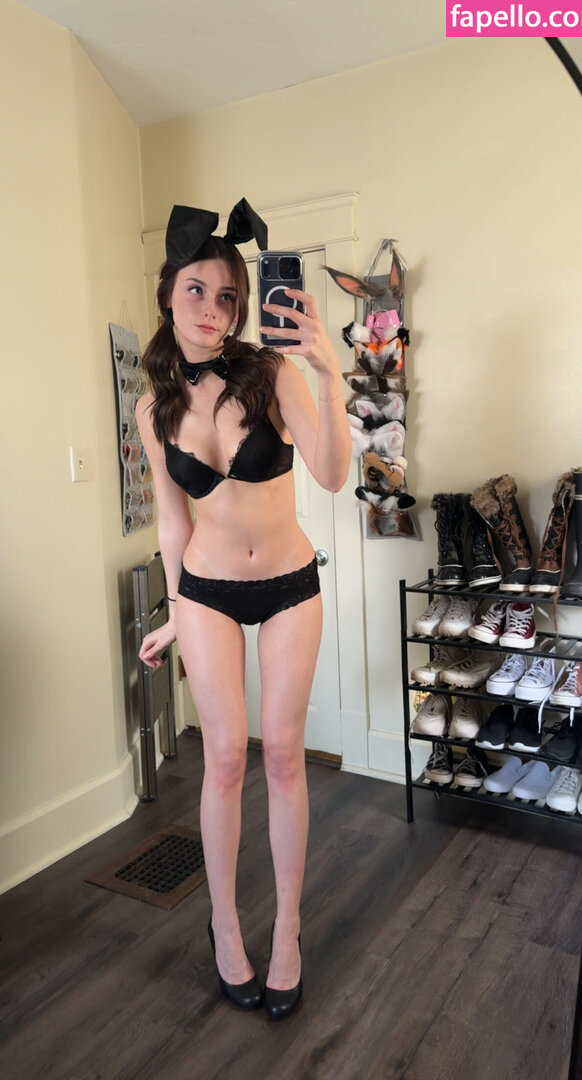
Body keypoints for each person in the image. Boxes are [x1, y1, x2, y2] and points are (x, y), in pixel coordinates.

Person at [135, 199, 351, 1020]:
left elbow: (331, 473)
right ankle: (226, 927)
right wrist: (174, 610)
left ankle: (287, 929)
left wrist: (328, 373)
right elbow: (173, 523)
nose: (212, 309)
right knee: (225, 757)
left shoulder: (272, 375)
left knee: (284, 755)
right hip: (206, 592)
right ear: (167, 294)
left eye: (228, 295)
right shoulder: (154, 408)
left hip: (288, 581)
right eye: (196, 290)